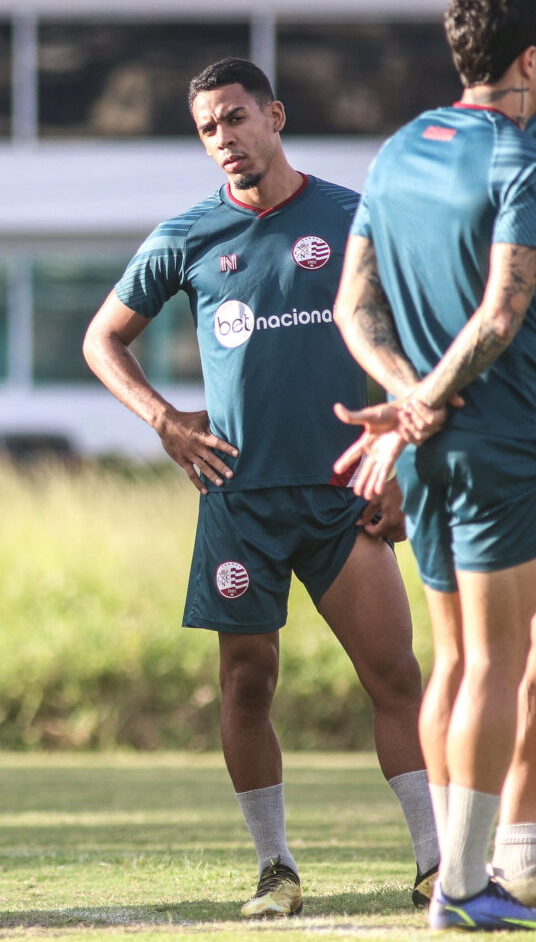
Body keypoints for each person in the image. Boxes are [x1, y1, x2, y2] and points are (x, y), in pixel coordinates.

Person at [82, 57, 436, 919]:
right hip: (238, 503)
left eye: (237, 118)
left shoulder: (353, 218)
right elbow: (103, 340)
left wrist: (403, 461)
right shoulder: (189, 234)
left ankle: (436, 863)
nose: (226, 139)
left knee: (394, 675)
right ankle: (275, 869)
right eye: (209, 128)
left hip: (342, 493)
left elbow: (414, 337)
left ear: (274, 115)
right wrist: (166, 420)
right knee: (245, 684)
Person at [330, 0, 536, 929]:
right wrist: (428, 401)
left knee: (453, 661)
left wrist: (404, 400)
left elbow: (353, 308)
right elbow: (501, 313)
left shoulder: (397, 146)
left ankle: (460, 874)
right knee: (500, 663)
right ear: (529, 61)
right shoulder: (521, 159)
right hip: (499, 444)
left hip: (427, 450)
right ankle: (459, 887)